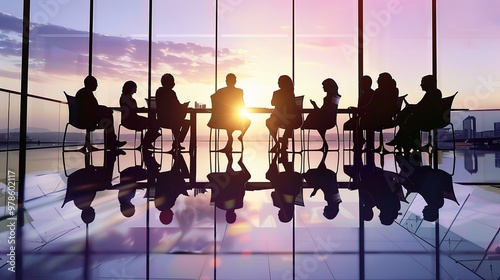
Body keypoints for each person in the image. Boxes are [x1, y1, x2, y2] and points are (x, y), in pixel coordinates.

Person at [387, 75, 442, 153]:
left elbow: (422, 107)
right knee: (411, 119)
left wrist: (411, 107)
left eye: (422, 83)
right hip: (426, 119)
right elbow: (422, 107)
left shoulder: (433, 94)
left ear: (428, 83)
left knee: (410, 119)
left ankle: (401, 139)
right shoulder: (434, 93)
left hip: (428, 120)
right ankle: (406, 142)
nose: (421, 85)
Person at [75, 75, 126, 150]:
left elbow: (92, 108)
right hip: (87, 119)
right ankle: (111, 142)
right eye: (96, 83)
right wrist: (106, 109)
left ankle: (111, 142)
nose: (97, 85)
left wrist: (105, 109)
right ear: (90, 84)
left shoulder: (83, 92)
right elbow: (92, 108)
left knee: (107, 117)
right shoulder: (86, 94)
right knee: (108, 118)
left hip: (84, 118)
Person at [207, 73, 251, 152]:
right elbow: (242, 104)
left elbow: (215, 103)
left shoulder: (220, 91)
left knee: (230, 120)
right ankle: (237, 137)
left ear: (226, 81)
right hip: (228, 119)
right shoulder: (239, 91)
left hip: (221, 119)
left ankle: (230, 141)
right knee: (246, 121)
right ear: (235, 81)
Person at [359, 72, 399, 150]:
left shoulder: (378, 92)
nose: (377, 82)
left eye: (378, 80)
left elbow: (369, 106)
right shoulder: (394, 90)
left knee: (362, 120)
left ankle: (363, 144)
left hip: (378, 120)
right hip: (388, 119)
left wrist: (357, 110)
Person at [301, 78, 341, 151]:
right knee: (314, 116)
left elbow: (322, 112)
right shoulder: (334, 97)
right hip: (330, 121)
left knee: (313, 115)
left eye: (324, 86)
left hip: (325, 121)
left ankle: (304, 124)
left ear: (328, 87)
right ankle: (325, 143)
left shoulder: (328, 98)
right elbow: (324, 112)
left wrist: (315, 105)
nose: (323, 87)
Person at [120, 81, 161, 150]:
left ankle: (147, 141)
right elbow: (133, 107)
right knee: (154, 123)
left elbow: (133, 108)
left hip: (133, 119)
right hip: (130, 120)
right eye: (135, 88)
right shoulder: (125, 98)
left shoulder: (126, 98)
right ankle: (147, 142)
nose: (136, 90)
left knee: (153, 123)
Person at [266, 75, 302, 152]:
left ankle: (283, 141)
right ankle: (279, 142)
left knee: (289, 123)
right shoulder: (276, 93)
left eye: (279, 81)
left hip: (288, 117)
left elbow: (291, 106)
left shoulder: (290, 93)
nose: (278, 83)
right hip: (281, 116)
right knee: (269, 122)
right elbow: (273, 103)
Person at [155, 73, 190, 152]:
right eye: (172, 81)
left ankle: (177, 142)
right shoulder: (170, 93)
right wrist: (184, 106)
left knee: (177, 121)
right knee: (186, 123)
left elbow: (175, 105)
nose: (174, 83)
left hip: (163, 119)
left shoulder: (159, 92)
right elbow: (176, 106)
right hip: (169, 120)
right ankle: (177, 142)